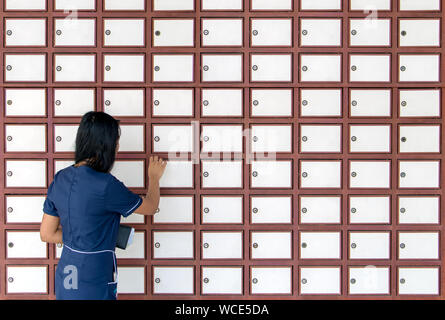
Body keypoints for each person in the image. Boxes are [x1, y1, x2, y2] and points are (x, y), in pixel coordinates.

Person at [39, 111, 166, 300]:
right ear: (105, 146)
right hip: (93, 278)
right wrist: (154, 178)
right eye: (116, 142)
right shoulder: (105, 185)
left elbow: (47, 234)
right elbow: (150, 207)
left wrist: (86, 237)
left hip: (67, 274)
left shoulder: (60, 179)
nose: (118, 147)